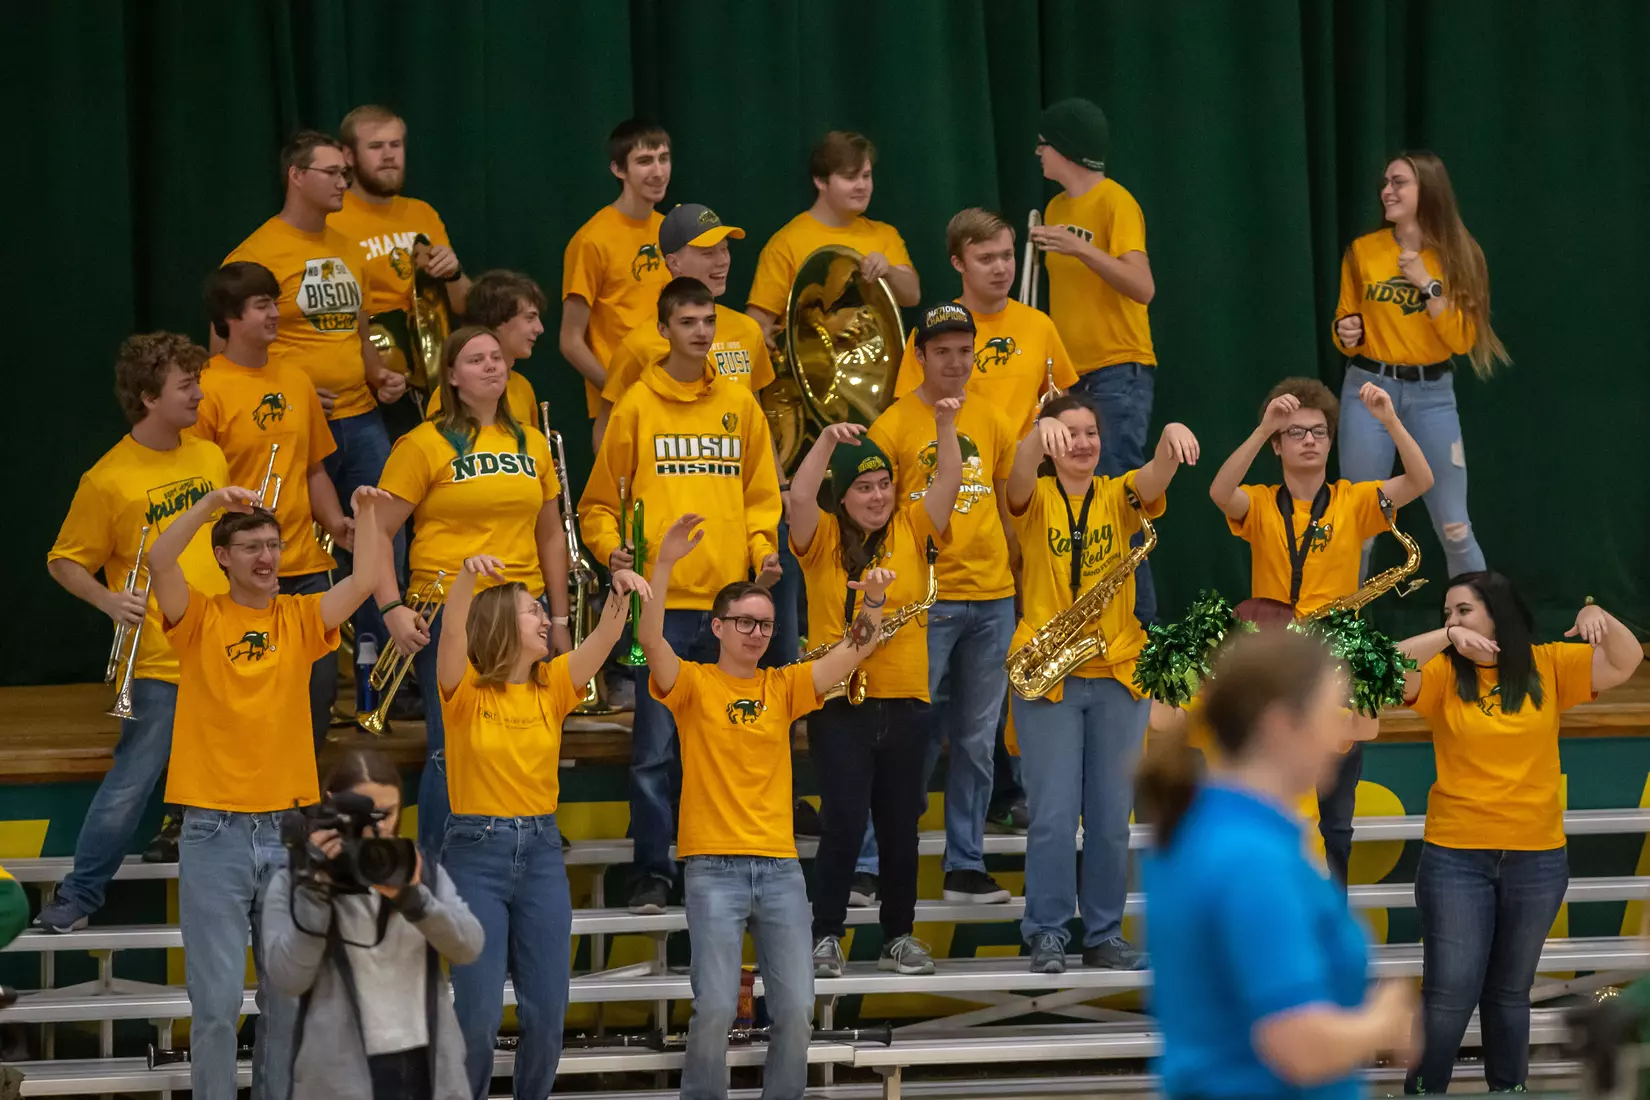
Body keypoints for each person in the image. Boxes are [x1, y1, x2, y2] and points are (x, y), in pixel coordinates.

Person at [635, 513, 894, 1100]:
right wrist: (665, 564)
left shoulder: (783, 685)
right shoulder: (694, 684)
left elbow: (855, 652)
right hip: (713, 868)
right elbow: (651, 641)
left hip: (779, 869)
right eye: (746, 622)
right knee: (716, 1009)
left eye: (766, 624)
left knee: (798, 1008)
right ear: (719, 627)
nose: (756, 633)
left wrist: (873, 602)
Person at [150, 480, 389, 1100]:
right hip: (214, 832)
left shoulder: (300, 618)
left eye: (275, 545)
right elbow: (157, 559)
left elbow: (364, 582)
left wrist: (363, 514)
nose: (266, 557)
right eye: (251, 545)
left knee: (285, 1003)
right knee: (217, 1004)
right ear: (223, 556)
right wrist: (208, 507)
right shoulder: (199, 615)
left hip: (287, 834)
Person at [1140, 630, 1418, 1100]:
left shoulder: (1207, 829)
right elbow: (1298, 1046)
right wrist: (1383, 1023)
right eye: (1325, 714)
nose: (1336, 735)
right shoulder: (1252, 859)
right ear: (1279, 725)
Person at [580, 277, 783, 914]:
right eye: (687, 321)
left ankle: (713, 864)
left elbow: (759, 494)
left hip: (729, 604)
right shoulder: (638, 405)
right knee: (655, 749)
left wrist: (761, 550)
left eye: (707, 320)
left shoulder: (740, 404)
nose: (700, 331)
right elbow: (597, 504)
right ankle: (651, 872)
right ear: (663, 330)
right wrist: (612, 550)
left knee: (725, 746)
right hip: (660, 608)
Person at [1394, 573, 1641, 1093]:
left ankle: (1510, 1091)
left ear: (1496, 613)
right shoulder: (1442, 672)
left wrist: (1602, 616)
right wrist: (1446, 639)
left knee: (1509, 992)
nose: (1453, 621)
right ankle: (1423, 1092)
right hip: (1456, 856)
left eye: (1463, 611)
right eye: (1447, 613)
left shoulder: (1548, 664)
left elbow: (1625, 660)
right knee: (1449, 992)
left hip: (1536, 857)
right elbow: (1379, 667)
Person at [1208, 376, 1435, 884]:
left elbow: (1420, 480)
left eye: (1319, 432)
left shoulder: (1355, 500)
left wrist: (1390, 421)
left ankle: (1325, 913)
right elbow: (1220, 491)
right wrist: (1263, 423)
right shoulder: (1262, 502)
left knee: (1335, 811)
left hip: (1338, 658)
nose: (1309, 440)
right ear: (1277, 445)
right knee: (1273, 799)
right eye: (1295, 433)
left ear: (1331, 441)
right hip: (1274, 659)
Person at [40, 335, 231, 929]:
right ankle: (78, 897)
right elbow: (64, 558)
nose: (200, 393)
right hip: (158, 659)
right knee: (131, 783)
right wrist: (107, 598)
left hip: (223, 650)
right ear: (148, 397)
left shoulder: (210, 456)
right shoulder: (108, 479)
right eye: (186, 385)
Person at [436, 552, 639, 1100]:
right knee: (476, 1019)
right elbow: (452, 632)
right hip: (474, 854)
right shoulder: (464, 690)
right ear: (503, 625)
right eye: (533, 612)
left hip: (542, 853)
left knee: (547, 1014)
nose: (547, 620)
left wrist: (618, 591)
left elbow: (605, 637)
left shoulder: (553, 683)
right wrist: (465, 580)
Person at [1010, 395, 1198, 973]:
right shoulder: (1035, 496)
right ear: (1051, 443)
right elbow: (1015, 477)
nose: (1083, 443)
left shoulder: (1120, 495)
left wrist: (1171, 426)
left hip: (1118, 672)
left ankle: (1103, 934)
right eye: (1070, 434)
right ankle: (1046, 931)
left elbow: (1158, 473)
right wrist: (1032, 433)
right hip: (1048, 676)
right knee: (1052, 817)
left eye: (1091, 433)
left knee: (1113, 816)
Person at [223, 130, 407, 717]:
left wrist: (378, 374)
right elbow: (226, 350)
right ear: (296, 176)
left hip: (362, 418)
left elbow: (358, 328)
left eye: (345, 175)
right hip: (294, 428)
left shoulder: (352, 247)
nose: (343, 183)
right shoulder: (256, 253)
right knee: (287, 548)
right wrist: (290, 394)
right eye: (331, 172)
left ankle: (394, 681)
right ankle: (285, 672)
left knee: (385, 541)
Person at [373, 326, 571, 857]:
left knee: (523, 733)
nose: (491, 366)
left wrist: (561, 616)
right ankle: (443, 870)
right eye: (476, 359)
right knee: (451, 750)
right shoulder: (423, 443)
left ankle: (517, 847)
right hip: (448, 610)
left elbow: (550, 534)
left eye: (497, 358)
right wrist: (390, 607)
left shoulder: (531, 441)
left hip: (519, 612)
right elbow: (376, 529)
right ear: (453, 377)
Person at [791, 397, 964, 980]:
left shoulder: (913, 525)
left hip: (907, 699)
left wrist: (944, 425)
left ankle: (899, 934)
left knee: (899, 824)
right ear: (842, 496)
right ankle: (826, 934)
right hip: (840, 703)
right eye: (864, 487)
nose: (878, 496)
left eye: (884, 484)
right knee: (842, 819)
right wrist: (824, 444)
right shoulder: (819, 543)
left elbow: (950, 478)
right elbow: (797, 498)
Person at [863, 303, 1019, 905]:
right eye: (942, 350)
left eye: (964, 349)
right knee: (906, 738)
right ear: (919, 356)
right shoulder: (894, 425)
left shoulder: (996, 417)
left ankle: (965, 864)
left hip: (993, 598)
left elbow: (1006, 508)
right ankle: (874, 862)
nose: (955, 361)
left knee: (979, 741)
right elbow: (874, 512)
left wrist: (1016, 579)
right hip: (923, 600)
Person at [263, 747, 484, 1100]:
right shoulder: (294, 881)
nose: (379, 827)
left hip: (425, 1068)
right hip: (337, 1076)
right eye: (368, 814)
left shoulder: (416, 870)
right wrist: (315, 895)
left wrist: (413, 899)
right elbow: (288, 979)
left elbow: (469, 946)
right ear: (333, 804)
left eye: (389, 813)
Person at [195, 262, 353, 750]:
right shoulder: (206, 389)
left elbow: (313, 469)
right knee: (246, 702)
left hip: (303, 566)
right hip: (240, 572)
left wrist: (336, 521)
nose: (274, 313)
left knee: (316, 697)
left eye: (273, 302)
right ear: (230, 318)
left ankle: (301, 814)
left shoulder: (296, 379)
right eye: (261, 305)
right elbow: (196, 487)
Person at [1333, 151, 1511, 580]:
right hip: (1368, 389)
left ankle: (1481, 632)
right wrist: (1346, 332)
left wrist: (1428, 286)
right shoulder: (1363, 252)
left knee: (1454, 526)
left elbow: (1463, 339)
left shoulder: (1461, 255)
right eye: (1386, 183)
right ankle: (1340, 639)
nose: (1386, 191)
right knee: (1359, 524)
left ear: (1427, 191)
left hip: (1432, 398)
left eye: (1399, 183)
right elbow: (1343, 325)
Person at [1030, 97, 1159, 623]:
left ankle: (1142, 633)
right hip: (1070, 380)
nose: (1037, 153)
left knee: (1117, 505)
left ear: (1066, 148)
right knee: (1077, 508)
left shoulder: (1114, 202)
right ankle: (1090, 626)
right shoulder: (1057, 208)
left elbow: (1142, 286)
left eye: (1044, 144)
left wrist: (1077, 248)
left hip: (1118, 370)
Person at [331, 104, 471, 436]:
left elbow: (464, 305)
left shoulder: (422, 214)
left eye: (396, 145)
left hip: (432, 367)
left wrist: (453, 272)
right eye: (376, 147)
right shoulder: (331, 218)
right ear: (348, 156)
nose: (389, 155)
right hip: (369, 375)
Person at [597, 203, 774, 447]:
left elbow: (757, 422)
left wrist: (780, 484)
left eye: (724, 249)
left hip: (735, 482)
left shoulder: (747, 330)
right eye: (708, 252)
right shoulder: (638, 345)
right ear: (673, 262)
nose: (722, 261)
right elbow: (608, 429)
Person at [894, 208, 1078, 436]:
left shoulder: (1040, 325)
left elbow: (1060, 407)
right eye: (986, 259)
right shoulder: (933, 330)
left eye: (1007, 256)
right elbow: (909, 415)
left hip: (1027, 467)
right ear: (958, 263)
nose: (1000, 269)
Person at [746, 130, 920, 343]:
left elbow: (912, 296)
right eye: (849, 177)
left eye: (866, 176)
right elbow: (757, 324)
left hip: (876, 372)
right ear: (820, 181)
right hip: (811, 370)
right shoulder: (786, 242)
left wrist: (889, 272)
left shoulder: (885, 234)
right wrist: (763, 338)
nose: (862, 186)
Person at [560, 118, 673, 424]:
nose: (658, 171)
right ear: (618, 169)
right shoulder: (592, 240)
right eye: (645, 161)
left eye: (664, 158)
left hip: (675, 398)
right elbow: (570, 340)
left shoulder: (670, 231)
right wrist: (619, 390)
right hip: (624, 410)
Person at [425, 270, 542, 426]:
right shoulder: (451, 395)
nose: (539, 328)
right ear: (498, 320)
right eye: (530, 318)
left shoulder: (524, 388)